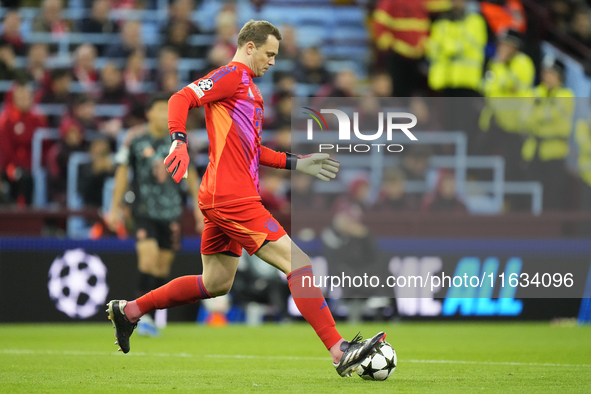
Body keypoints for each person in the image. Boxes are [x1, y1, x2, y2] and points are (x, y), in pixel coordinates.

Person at [106, 20, 386, 377]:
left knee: (216, 283)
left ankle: (129, 311)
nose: (272, 61)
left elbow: (253, 151)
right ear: (249, 46)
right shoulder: (232, 76)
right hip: (230, 196)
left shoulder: (250, 91)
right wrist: (179, 139)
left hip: (225, 194)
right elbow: (181, 97)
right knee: (298, 263)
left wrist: (298, 163)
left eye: (276, 55)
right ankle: (338, 349)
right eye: (269, 53)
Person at [107, 94, 203, 336]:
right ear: (149, 113)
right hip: (143, 211)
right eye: (160, 110)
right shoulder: (135, 140)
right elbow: (122, 174)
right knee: (147, 260)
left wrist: (198, 208)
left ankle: (148, 316)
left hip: (171, 212)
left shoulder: (178, 140)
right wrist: (114, 208)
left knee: (162, 267)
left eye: (167, 111)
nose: (164, 115)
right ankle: (136, 316)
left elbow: (190, 175)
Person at [521, 57, 575, 211]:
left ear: (560, 77)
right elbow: (524, 118)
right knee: (531, 193)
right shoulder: (535, 92)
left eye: (552, 73)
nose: (547, 77)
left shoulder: (566, 95)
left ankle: (553, 232)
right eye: (545, 72)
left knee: (554, 196)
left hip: (554, 154)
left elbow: (551, 115)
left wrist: (537, 114)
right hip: (533, 152)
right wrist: (541, 116)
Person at [0, 80, 46, 206]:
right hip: (13, 165)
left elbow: (46, 144)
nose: (25, 99)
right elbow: (6, 150)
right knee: (24, 178)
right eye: (21, 96)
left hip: (36, 164)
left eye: (27, 96)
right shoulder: (6, 120)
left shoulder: (37, 118)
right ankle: (23, 213)